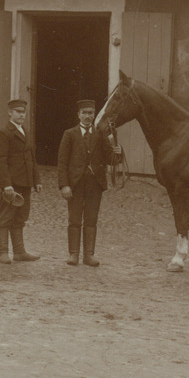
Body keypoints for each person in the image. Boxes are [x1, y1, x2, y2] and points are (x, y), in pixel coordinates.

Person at [57, 99, 122, 266]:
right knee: (75, 220)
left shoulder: (100, 135)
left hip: (95, 184)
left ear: (94, 115)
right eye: (84, 113)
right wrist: (64, 185)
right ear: (78, 114)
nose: (87, 116)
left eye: (90, 113)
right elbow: (62, 162)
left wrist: (118, 152)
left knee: (91, 219)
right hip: (75, 184)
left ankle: (89, 255)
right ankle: (73, 254)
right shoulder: (69, 134)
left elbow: (111, 160)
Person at [0, 99, 42, 264]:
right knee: (5, 216)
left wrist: (36, 180)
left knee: (21, 216)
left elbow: (31, 159)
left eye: (23, 112)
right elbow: (0, 161)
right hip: (11, 185)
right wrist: (6, 184)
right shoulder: (4, 133)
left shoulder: (25, 132)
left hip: (25, 182)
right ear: (10, 113)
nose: (21, 115)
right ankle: (3, 252)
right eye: (18, 111)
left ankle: (19, 252)